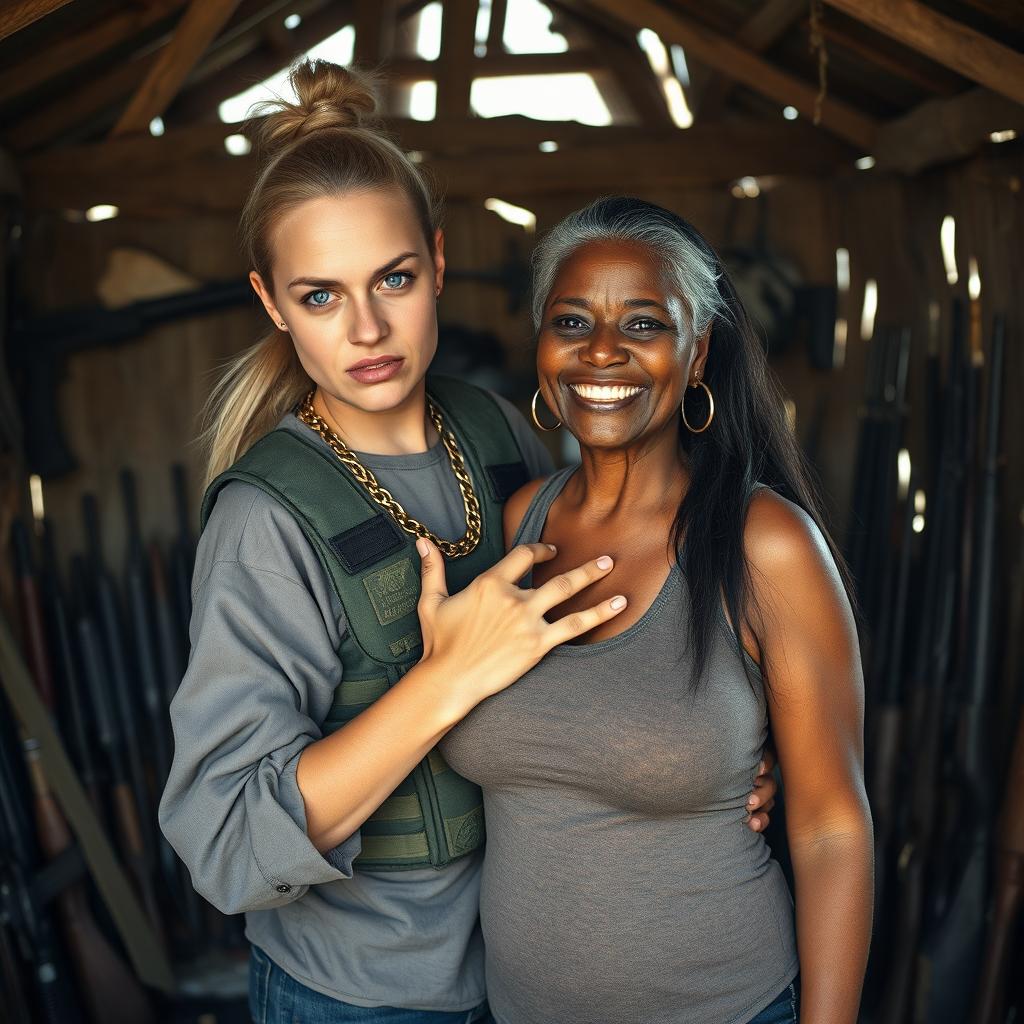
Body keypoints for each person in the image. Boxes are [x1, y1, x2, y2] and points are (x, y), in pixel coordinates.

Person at [159, 61, 778, 1024]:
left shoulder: (501, 437)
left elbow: (622, 666)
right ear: (273, 304)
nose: (366, 327)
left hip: (520, 972)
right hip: (359, 991)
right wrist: (444, 680)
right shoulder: (264, 522)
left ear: (438, 265)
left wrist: (729, 764)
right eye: (320, 297)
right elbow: (228, 842)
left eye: (394, 280)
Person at [440, 197, 874, 1024]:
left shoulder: (765, 544)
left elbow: (831, 829)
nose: (601, 351)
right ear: (541, 345)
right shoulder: (516, 525)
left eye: (644, 325)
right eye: (571, 320)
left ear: (698, 351)